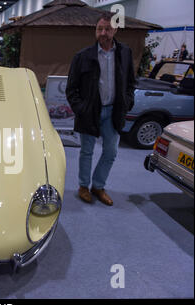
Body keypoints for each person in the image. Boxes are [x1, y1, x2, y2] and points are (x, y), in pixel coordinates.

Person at [66, 12, 136, 206]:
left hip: (114, 111)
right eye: (99, 29)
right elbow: (71, 89)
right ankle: (83, 186)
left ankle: (98, 186)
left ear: (115, 30)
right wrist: (81, 108)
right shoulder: (83, 56)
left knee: (111, 152)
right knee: (86, 151)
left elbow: (131, 82)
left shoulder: (125, 53)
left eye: (107, 29)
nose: (103, 33)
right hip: (90, 113)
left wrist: (127, 101)